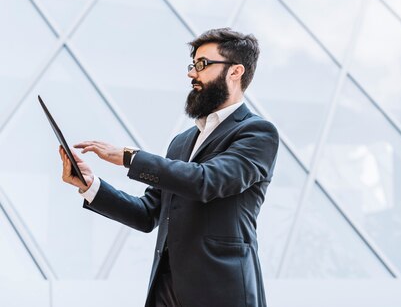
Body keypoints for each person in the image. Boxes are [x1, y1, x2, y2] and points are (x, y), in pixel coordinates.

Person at [59, 28, 279, 307]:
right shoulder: (182, 142)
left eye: (202, 65)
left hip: (222, 292)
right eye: (192, 65)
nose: (191, 74)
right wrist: (90, 185)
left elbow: (207, 181)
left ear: (235, 72)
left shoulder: (257, 133)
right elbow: (147, 213)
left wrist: (129, 157)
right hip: (166, 291)